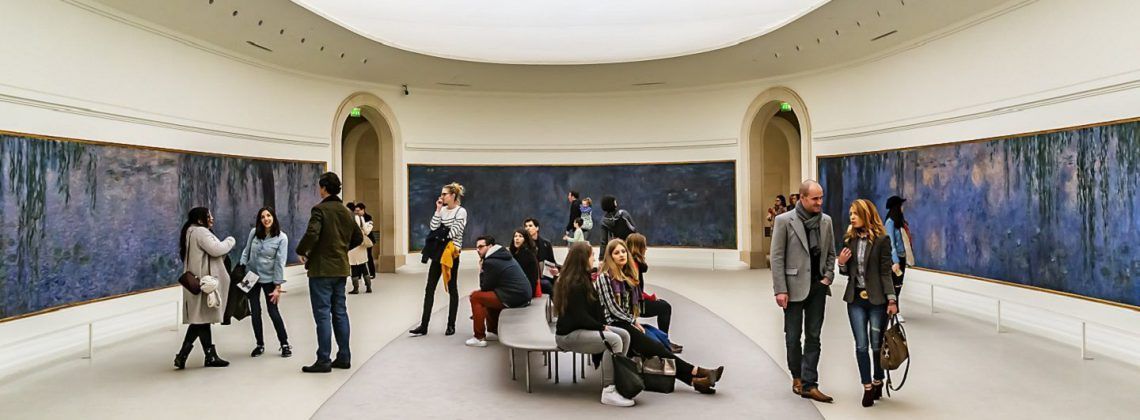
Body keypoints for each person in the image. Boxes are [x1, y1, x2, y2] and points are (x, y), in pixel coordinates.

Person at [596, 238, 724, 394]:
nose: (622, 255)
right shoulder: (604, 277)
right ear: (610, 256)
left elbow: (628, 307)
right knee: (655, 347)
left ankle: (695, 381)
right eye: (616, 253)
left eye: (623, 251)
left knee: (657, 346)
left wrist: (633, 320)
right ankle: (697, 371)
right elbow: (612, 308)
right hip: (613, 324)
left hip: (625, 322)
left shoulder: (625, 275)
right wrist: (633, 322)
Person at [771, 180, 838, 403]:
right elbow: (777, 257)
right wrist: (780, 289)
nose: (820, 202)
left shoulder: (826, 221)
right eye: (815, 198)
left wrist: (828, 276)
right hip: (792, 288)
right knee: (792, 337)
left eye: (821, 198)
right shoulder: (784, 221)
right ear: (802, 198)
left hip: (818, 288)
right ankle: (797, 376)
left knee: (814, 336)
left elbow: (831, 253)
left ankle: (810, 383)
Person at [296, 172, 363, 373]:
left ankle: (323, 359)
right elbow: (358, 238)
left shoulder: (319, 210)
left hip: (321, 270)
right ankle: (344, 356)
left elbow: (312, 233)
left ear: (324, 188)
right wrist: (341, 249)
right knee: (340, 313)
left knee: (323, 314)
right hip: (340, 269)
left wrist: (302, 250)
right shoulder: (346, 212)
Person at [554, 241, 635, 407]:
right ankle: (609, 390)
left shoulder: (583, 279)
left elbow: (593, 309)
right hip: (568, 335)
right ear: (583, 259)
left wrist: (602, 325)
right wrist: (602, 327)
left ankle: (620, 381)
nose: (594, 259)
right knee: (614, 340)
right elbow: (579, 317)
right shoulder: (573, 285)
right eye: (591, 255)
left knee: (624, 335)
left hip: (581, 328)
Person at [837, 199, 899, 407]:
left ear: (866, 214)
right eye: (850, 214)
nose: (851, 217)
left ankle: (878, 379)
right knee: (861, 345)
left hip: (877, 301)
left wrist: (891, 299)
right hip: (855, 299)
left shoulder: (882, 240)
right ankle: (867, 386)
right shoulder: (849, 239)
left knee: (876, 344)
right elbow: (846, 273)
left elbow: (885, 272)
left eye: (855, 213)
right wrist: (841, 264)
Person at [175, 207, 236, 370]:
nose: (212, 218)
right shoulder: (201, 232)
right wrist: (230, 240)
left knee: (201, 319)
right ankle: (187, 355)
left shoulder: (190, 231)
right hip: (205, 283)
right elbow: (217, 249)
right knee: (200, 320)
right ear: (201, 220)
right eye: (209, 216)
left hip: (196, 280)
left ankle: (206, 355)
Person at [410, 182, 467, 337]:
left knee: (452, 289)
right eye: (442, 194)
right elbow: (433, 226)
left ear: (453, 195)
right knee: (429, 288)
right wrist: (438, 209)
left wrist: (438, 235)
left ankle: (451, 325)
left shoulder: (461, 211)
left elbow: (454, 232)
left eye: (444, 194)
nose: (441, 196)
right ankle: (424, 325)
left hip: (451, 254)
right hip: (438, 253)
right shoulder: (442, 211)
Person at [239, 207, 291, 358]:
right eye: (262, 217)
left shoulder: (282, 238)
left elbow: (280, 262)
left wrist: (278, 286)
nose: (266, 219)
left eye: (268, 216)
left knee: (273, 311)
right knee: (255, 311)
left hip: (269, 279)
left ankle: (285, 344)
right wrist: (242, 266)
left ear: (273, 217)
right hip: (251, 276)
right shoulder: (254, 232)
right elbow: (246, 250)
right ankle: (259, 344)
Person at [466, 235, 533, 347]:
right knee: (486, 296)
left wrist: (481, 270)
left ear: (490, 246)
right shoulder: (502, 255)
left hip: (515, 297)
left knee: (475, 297)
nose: (478, 250)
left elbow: (485, 287)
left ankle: (479, 337)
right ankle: (492, 331)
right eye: (477, 247)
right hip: (522, 295)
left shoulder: (491, 261)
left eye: (481, 247)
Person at [624, 233, 682, 353]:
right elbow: (634, 291)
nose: (646, 249)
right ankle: (665, 343)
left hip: (633, 301)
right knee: (665, 307)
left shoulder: (632, 264)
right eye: (644, 246)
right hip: (634, 305)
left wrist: (649, 297)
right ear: (638, 247)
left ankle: (664, 340)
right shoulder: (634, 265)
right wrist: (650, 298)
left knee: (663, 305)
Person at [884, 195, 911, 323]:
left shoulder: (899, 222)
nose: (903, 208)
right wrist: (895, 261)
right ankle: (895, 310)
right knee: (894, 285)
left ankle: (894, 309)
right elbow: (891, 243)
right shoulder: (890, 222)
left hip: (902, 257)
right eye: (901, 205)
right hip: (896, 259)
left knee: (899, 284)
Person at [524, 218, 560, 295]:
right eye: (526, 226)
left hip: (546, 275)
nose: (527, 228)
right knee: (546, 284)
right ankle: (559, 306)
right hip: (532, 278)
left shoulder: (546, 244)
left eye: (530, 226)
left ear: (537, 228)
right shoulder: (524, 246)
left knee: (562, 281)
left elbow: (552, 262)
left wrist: (556, 269)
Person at [599, 195, 636, 261]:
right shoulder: (624, 213)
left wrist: (601, 258)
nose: (616, 202)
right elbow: (633, 229)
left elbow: (603, 242)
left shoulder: (604, 221)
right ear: (612, 203)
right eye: (614, 201)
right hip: (630, 245)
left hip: (618, 246)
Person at [348, 204, 374, 294]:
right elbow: (366, 231)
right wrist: (369, 225)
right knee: (363, 265)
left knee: (354, 266)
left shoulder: (347, 219)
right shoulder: (361, 218)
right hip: (361, 244)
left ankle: (356, 288)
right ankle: (368, 287)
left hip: (351, 245)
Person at [509, 228, 541, 298]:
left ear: (525, 239)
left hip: (525, 291)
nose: (517, 238)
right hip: (523, 289)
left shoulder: (526, 254)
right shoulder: (517, 253)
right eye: (515, 236)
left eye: (520, 236)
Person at [357, 202, 378, 280]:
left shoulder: (368, 217)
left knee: (369, 256)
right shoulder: (356, 217)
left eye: (359, 210)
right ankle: (359, 275)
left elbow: (366, 230)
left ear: (363, 210)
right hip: (360, 241)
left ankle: (372, 273)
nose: (357, 212)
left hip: (367, 240)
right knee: (359, 257)